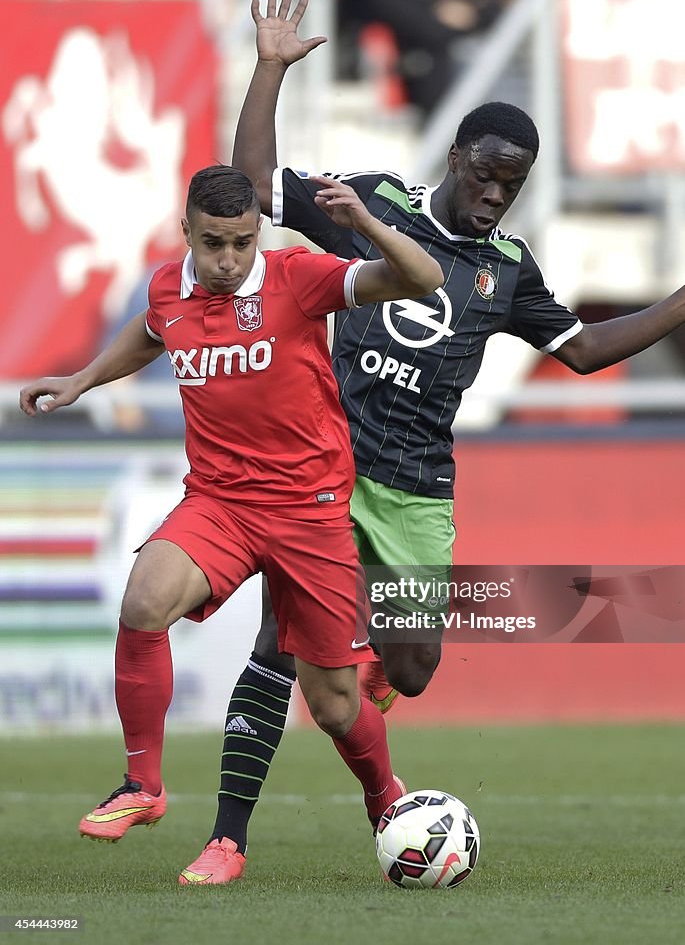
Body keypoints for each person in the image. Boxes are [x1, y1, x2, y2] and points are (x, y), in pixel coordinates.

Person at [177, 0, 685, 885]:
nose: (495, 193)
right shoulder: (377, 202)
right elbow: (254, 190)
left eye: (512, 184)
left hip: (416, 491)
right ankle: (227, 839)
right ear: (455, 156)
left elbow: (586, 351)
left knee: (410, 669)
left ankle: (363, 667)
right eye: (485, 173)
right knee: (276, 648)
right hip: (322, 472)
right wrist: (270, 67)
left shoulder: (508, 271)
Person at [19, 161, 443, 883]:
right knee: (144, 600)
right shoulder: (168, 287)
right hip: (219, 500)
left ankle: (386, 799)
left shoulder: (297, 277)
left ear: (258, 235)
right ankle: (144, 787)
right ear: (186, 232)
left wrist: (368, 228)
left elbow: (423, 280)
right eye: (213, 242)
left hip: (309, 512)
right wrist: (83, 379)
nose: (226, 260)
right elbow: (153, 332)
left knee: (336, 705)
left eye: (241, 243)